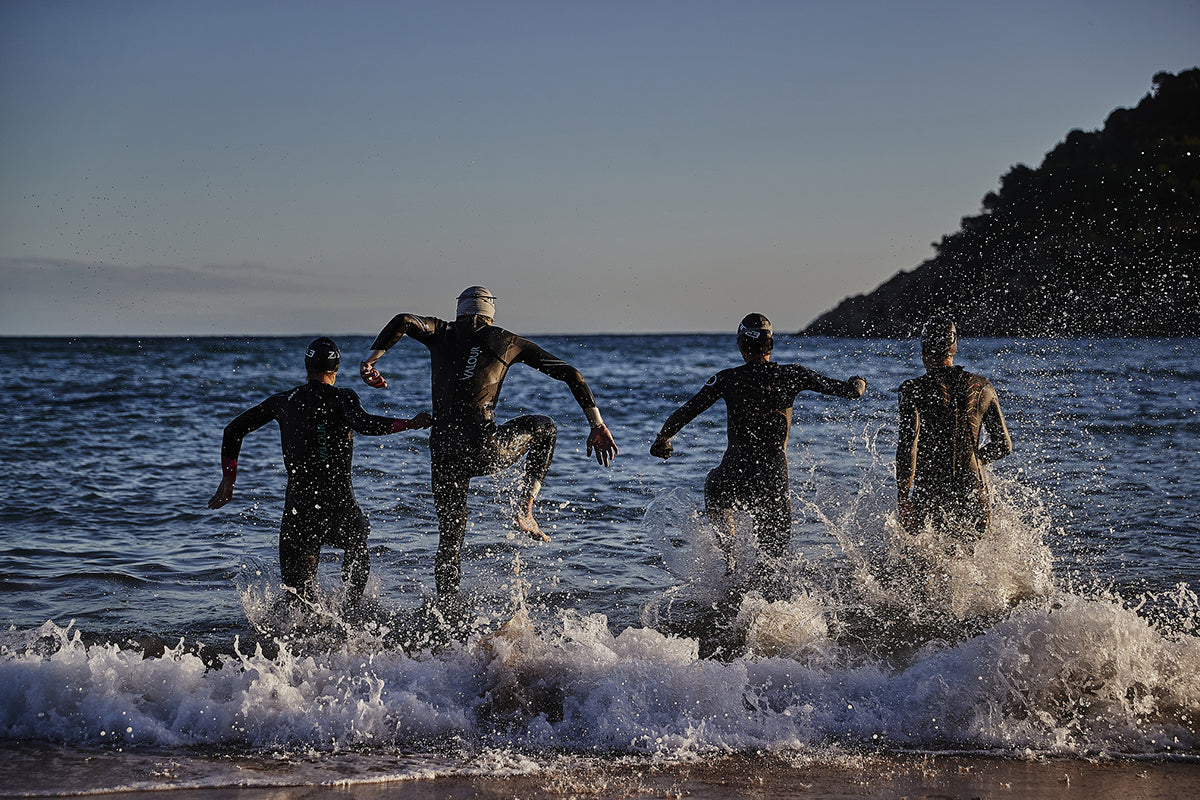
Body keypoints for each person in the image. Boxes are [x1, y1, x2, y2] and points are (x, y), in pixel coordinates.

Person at [359, 286, 619, 599]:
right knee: (546, 428)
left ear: (460, 312)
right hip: (486, 447)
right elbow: (573, 375)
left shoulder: (440, 332)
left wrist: (370, 362)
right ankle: (525, 509)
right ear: (491, 317)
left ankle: (447, 611)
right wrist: (597, 425)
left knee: (450, 539)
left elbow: (403, 320)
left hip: (444, 452)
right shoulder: (507, 341)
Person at [208, 337, 432, 612]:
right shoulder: (343, 397)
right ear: (336, 368)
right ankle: (352, 613)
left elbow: (233, 430)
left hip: (299, 508)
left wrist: (229, 479)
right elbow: (364, 423)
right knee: (357, 546)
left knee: (297, 601)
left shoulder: (283, 401)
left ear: (307, 366)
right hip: (339, 504)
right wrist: (410, 423)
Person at [650, 314, 866, 581]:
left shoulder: (726, 379)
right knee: (772, 569)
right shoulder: (792, 374)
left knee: (713, 485)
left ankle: (730, 560)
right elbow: (851, 392)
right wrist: (859, 382)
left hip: (734, 475)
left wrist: (662, 440)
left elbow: (687, 411)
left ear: (741, 345)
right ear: (771, 345)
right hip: (773, 481)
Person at [896, 317, 1012, 541]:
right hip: (974, 487)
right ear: (953, 348)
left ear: (924, 349)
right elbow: (1004, 446)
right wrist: (974, 460)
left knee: (923, 557)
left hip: (931, 489)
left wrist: (903, 499)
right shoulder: (984, 387)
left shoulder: (913, 389)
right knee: (974, 557)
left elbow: (908, 448)